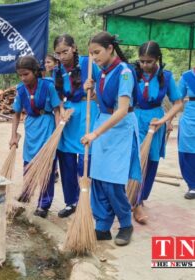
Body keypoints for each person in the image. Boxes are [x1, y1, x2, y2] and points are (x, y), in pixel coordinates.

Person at [82, 31, 141, 246]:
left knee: (113, 182)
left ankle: (126, 224)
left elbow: (122, 109)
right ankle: (103, 226)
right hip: (103, 125)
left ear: (110, 49)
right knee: (97, 178)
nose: (94, 57)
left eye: (97, 52)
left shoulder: (125, 72)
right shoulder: (101, 71)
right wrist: (91, 91)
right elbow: (105, 102)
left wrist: (95, 134)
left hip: (120, 129)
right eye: (91, 54)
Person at [133, 41, 183, 223]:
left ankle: (140, 198)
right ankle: (135, 203)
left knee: (151, 161)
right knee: (137, 161)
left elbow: (178, 103)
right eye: (142, 61)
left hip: (156, 121)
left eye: (149, 61)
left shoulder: (167, 77)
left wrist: (165, 120)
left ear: (157, 60)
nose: (145, 65)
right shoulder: (132, 72)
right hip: (135, 120)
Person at [52, 34, 100, 218]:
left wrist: (93, 90)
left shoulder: (88, 64)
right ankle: (71, 202)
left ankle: (88, 202)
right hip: (69, 116)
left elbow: (101, 85)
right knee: (67, 161)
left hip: (88, 111)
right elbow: (57, 95)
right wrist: (62, 109)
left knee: (86, 160)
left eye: (65, 51)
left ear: (74, 48)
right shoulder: (57, 70)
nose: (62, 56)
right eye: (58, 53)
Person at [10, 56, 61, 218]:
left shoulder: (48, 86)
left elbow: (57, 109)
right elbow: (17, 114)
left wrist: (58, 131)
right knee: (28, 163)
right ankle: (27, 192)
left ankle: (44, 204)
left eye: (26, 74)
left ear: (35, 71)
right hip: (31, 126)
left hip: (47, 125)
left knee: (46, 167)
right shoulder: (20, 89)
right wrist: (13, 136)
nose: (23, 78)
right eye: (20, 75)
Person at [178, 67, 195, 200]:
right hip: (190, 118)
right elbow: (177, 100)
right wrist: (169, 121)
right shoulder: (187, 76)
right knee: (187, 150)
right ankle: (192, 185)